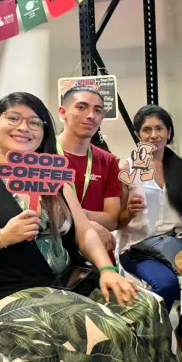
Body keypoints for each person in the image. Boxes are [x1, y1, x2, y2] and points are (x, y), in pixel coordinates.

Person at [0, 92, 182, 362]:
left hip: (67, 281)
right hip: (10, 292)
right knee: (108, 332)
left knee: (150, 308)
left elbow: (85, 231)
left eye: (35, 122)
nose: (24, 128)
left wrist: (107, 269)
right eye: (13, 118)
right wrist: (4, 237)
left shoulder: (52, 174)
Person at [116, 105, 182, 362]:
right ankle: (156, 348)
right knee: (167, 285)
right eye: (147, 130)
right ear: (138, 134)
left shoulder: (180, 167)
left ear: (169, 132)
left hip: (176, 241)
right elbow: (115, 220)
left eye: (159, 128)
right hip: (137, 246)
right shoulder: (126, 168)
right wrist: (127, 211)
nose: (153, 135)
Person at [57, 86, 121, 255]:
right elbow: (40, 215)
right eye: (82, 107)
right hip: (55, 257)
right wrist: (88, 223)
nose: (91, 116)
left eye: (98, 110)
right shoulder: (42, 157)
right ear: (63, 112)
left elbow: (112, 220)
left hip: (97, 257)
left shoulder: (108, 161)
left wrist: (74, 214)